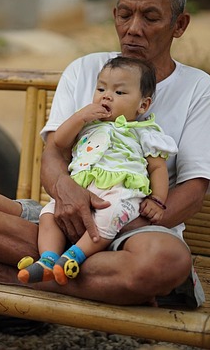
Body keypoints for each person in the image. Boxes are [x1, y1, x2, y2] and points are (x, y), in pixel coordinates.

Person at [0, 0, 210, 308]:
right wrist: (67, 194)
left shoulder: (198, 88)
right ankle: (99, 277)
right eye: (124, 15)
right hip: (63, 217)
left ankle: (16, 276)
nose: (133, 28)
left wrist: (116, 225)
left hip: (134, 228)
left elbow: (193, 192)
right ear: (114, 14)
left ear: (179, 24)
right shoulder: (85, 69)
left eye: (150, 18)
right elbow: (54, 153)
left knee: (166, 262)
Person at [18, 56, 177, 286]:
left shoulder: (145, 132)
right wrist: (79, 117)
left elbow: (157, 168)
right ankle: (48, 260)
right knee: (49, 214)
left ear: (143, 105)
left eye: (119, 92)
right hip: (80, 188)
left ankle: (74, 256)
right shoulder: (87, 125)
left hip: (120, 191)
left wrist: (158, 200)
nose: (106, 96)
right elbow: (59, 142)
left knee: (111, 216)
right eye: (101, 89)